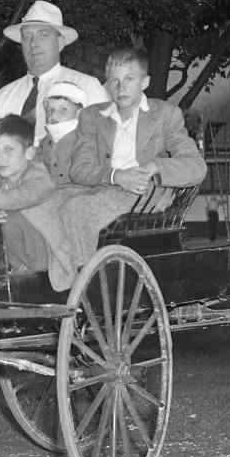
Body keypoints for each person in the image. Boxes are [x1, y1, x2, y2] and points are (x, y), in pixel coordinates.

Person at [20, 46, 207, 290]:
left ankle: (83, 288)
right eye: (114, 81)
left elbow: (196, 166)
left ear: (145, 82)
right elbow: (80, 169)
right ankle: (50, 275)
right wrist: (115, 176)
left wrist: (154, 166)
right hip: (104, 185)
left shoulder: (165, 115)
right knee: (35, 202)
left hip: (143, 192)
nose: (121, 88)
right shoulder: (93, 116)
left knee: (76, 210)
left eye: (129, 79)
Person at [0, 0, 108, 180]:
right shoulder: (3, 96)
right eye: (27, 36)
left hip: (67, 192)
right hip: (10, 196)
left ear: (60, 43)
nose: (33, 44)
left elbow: (108, 145)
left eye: (42, 35)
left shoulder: (88, 87)